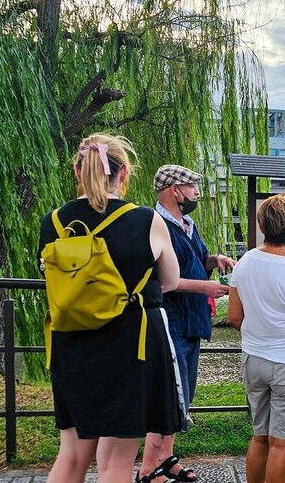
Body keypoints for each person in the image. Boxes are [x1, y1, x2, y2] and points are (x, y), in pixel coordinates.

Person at [39, 133, 181, 483]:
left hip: (71, 345)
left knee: (71, 456)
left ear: (78, 171)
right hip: (128, 344)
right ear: (125, 173)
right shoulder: (145, 219)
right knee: (116, 463)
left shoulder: (53, 223)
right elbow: (172, 280)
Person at [140, 164, 235, 482]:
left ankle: (166, 459)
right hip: (171, 321)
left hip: (191, 321)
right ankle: (148, 470)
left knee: (182, 396)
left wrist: (213, 261)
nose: (196, 191)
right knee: (168, 396)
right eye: (191, 185)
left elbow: (194, 262)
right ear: (174, 190)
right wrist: (205, 287)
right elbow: (163, 281)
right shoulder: (157, 225)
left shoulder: (187, 224)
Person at [227, 194, 285, 483]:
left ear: (261, 226)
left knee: (259, 436)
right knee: (281, 442)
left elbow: (234, 317)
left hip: (253, 360)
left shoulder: (244, 263)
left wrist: (259, 333)